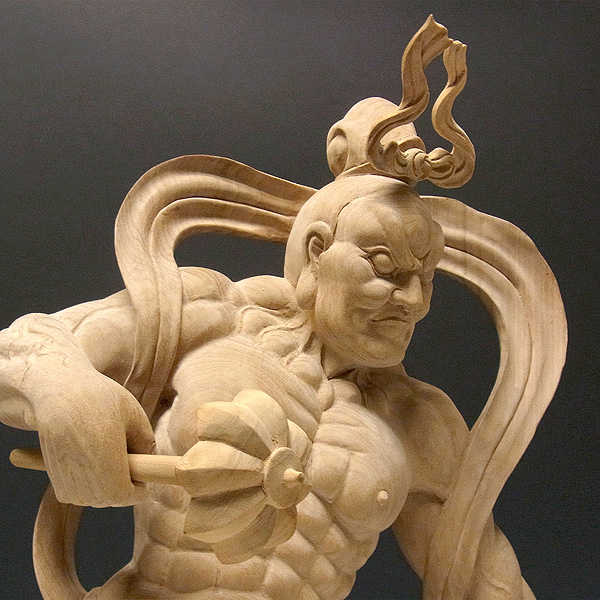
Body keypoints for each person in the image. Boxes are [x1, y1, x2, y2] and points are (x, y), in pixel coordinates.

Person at [0, 17, 564, 600]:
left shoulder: (419, 422)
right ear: (317, 251)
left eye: (424, 278)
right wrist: (65, 392)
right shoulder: (210, 314)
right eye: (384, 267)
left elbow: (482, 583)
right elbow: (18, 352)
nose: (414, 301)